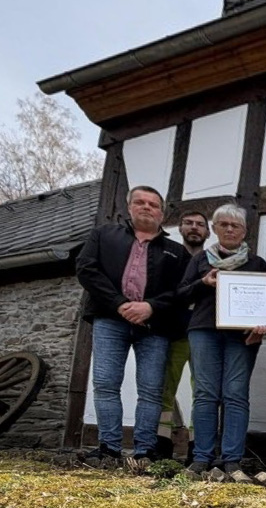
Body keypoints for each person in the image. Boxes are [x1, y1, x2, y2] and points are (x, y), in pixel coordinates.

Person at [76, 186, 189, 467]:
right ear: (129, 207)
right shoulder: (104, 235)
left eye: (153, 204)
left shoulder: (175, 251)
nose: (147, 207)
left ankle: (145, 451)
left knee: (151, 390)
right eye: (140, 202)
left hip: (155, 326)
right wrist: (119, 303)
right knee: (105, 384)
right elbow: (86, 269)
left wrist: (150, 306)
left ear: (162, 213)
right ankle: (109, 448)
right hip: (109, 318)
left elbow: (181, 291)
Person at [178, 204, 266, 482]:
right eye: (224, 224)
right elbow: (181, 294)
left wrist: (263, 326)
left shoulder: (257, 264)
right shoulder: (200, 261)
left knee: (236, 395)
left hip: (242, 337)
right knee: (205, 394)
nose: (230, 229)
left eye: (236, 225)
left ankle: (232, 460)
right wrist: (203, 282)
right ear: (215, 229)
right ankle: (201, 458)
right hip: (204, 331)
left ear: (244, 231)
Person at [157, 210, 211, 459]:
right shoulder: (169, 257)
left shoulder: (212, 260)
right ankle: (161, 444)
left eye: (200, 224)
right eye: (189, 223)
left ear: (207, 232)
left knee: (202, 389)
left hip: (202, 331)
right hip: (173, 330)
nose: (194, 227)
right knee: (165, 388)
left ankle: (195, 446)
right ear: (180, 228)